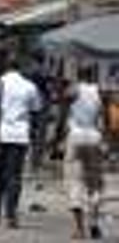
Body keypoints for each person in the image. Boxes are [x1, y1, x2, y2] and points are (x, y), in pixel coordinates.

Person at [0, 54, 43, 229]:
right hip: (20, 137)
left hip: (0, 136)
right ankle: (10, 214)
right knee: (14, 177)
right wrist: (35, 135)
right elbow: (36, 112)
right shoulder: (30, 87)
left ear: (6, 66)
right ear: (20, 68)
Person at [60, 64, 105, 240]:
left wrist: (58, 138)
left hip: (76, 137)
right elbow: (103, 119)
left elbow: (63, 114)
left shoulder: (73, 90)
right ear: (93, 75)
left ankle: (79, 229)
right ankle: (93, 223)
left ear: (78, 75)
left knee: (75, 181)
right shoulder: (99, 92)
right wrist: (107, 142)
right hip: (94, 137)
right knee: (94, 183)